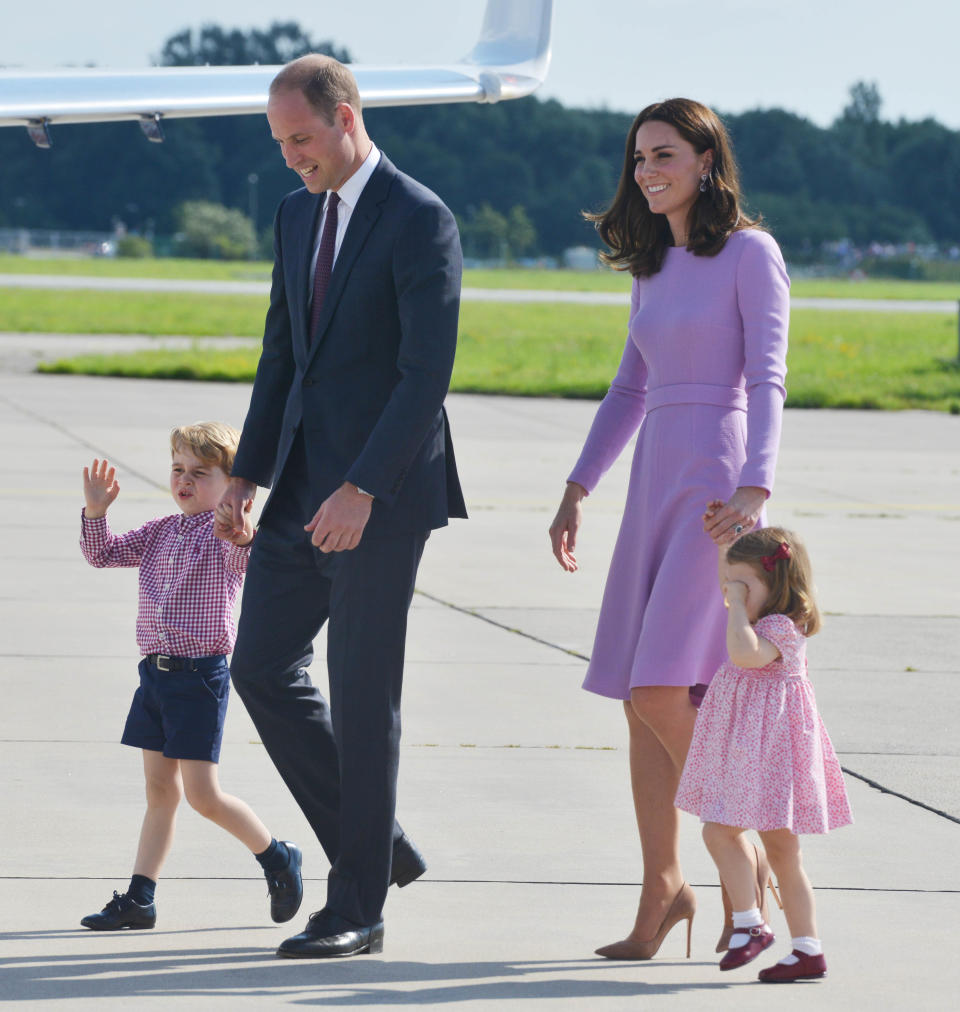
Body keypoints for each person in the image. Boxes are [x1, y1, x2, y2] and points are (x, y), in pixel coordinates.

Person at [216, 54, 465, 959]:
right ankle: (376, 841)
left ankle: (358, 905)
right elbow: (281, 353)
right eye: (280, 143)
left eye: (303, 139)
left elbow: (423, 374)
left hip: (383, 494)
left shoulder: (419, 217)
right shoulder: (293, 215)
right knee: (260, 669)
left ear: (347, 117)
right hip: (298, 488)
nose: (291, 158)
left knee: (364, 698)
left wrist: (364, 486)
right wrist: (246, 471)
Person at [549, 97, 790, 959]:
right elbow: (628, 390)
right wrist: (579, 484)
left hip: (716, 486)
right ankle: (663, 889)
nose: (648, 171)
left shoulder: (751, 254)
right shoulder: (651, 263)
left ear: (704, 160)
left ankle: (746, 849)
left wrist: (757, 485)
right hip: (653, 477)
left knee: (662, 689)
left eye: (664, 155)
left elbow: (769, 376)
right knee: (640, 701)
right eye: (639, 158)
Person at [78, 423, 302, 931]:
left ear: (232, 484)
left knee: (203, 795)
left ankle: (278, 857)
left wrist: (242, 530)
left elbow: (243, 553)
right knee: (160, 791)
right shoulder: (161, 530)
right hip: (154, 678)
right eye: (178, 469)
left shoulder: (223, 534)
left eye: (201, 473)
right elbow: (102, 554)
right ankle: (140, 898)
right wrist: (96, 512)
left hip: (200, 678)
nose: (185, 480)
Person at [676, 526, 853, 981]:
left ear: (775, 586)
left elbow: (744, 656)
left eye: (743, 587)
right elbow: (735, 609)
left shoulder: (779, 628)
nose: (731, 595)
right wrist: (725, 557)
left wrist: (736, 606)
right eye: (730, 585)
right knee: (778, 853)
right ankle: (806, 950)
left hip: (770, 760)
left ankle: (752, 925)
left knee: (721, 833)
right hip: (760, 756)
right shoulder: (759, 618)